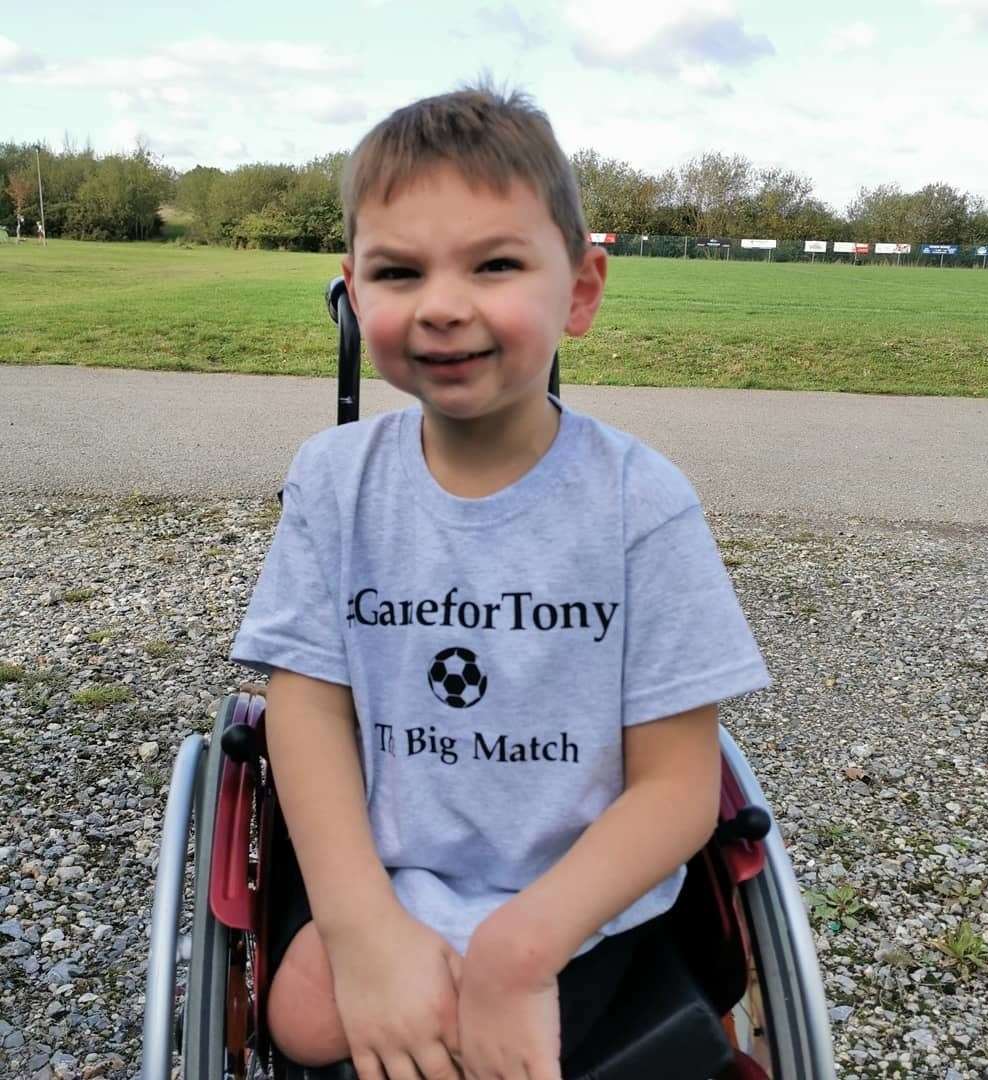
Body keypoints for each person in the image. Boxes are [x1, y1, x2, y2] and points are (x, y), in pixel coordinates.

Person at [230, 82, 770, 1080]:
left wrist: (520, 955)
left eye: (495, 264)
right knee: (301, 1019)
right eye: (399, 272)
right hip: (388, 878)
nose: (441, 306)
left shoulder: (638, 504)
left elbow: (679, 787)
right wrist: (363, 929)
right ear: (355, 291)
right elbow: (302, 713)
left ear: (580, 290)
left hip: (578, 910)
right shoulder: (334, 483)